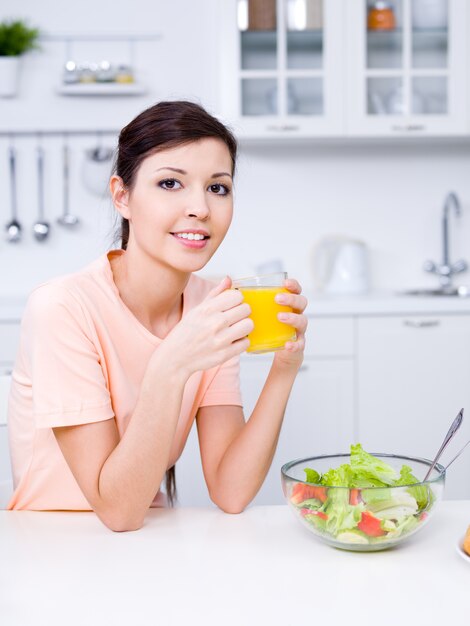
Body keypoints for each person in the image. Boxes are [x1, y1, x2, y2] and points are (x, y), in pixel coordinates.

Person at [7, 101, 308, 531]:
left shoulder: (214, 306)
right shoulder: (62, 308)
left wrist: (284, 368)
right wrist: (172, 363)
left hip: (151, 542)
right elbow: (117, 511)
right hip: (53, 542)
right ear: (122, 196)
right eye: (170, 183)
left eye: (217, 188)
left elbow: (231, 490)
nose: (200, 208)